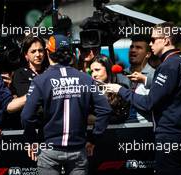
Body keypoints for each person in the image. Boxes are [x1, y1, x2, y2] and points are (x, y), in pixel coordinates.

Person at [105, 22, 181, 175]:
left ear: (166, 40)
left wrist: (120, 90)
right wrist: (146, 80)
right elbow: (176, 90)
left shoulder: (168, 65)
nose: (151, 43)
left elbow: (148, 103)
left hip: (169, 135)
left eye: (153, 40)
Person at [21, 34, 112, 175]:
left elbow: (26, 116)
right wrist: (93, 139)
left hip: (49, 150)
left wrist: (32, 141)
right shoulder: (86, 79)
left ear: (48, 52)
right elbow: (105, 110)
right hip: (78, 149)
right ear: (70, 54)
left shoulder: (41, 80)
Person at [90, 55, 130, 124]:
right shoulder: (90, 91)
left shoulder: (121, 88)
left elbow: (122, 117)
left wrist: (97, 120)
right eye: (91, 71)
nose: (94, 75)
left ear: (108, 69)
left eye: (97, 70)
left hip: (117, 132)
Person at [126, 35, 155, 123]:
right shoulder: (120, 74)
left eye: (138, 47)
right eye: (131, 47)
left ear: (148, 54)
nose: (133, 50)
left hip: (146, 128)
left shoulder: (155, 74)